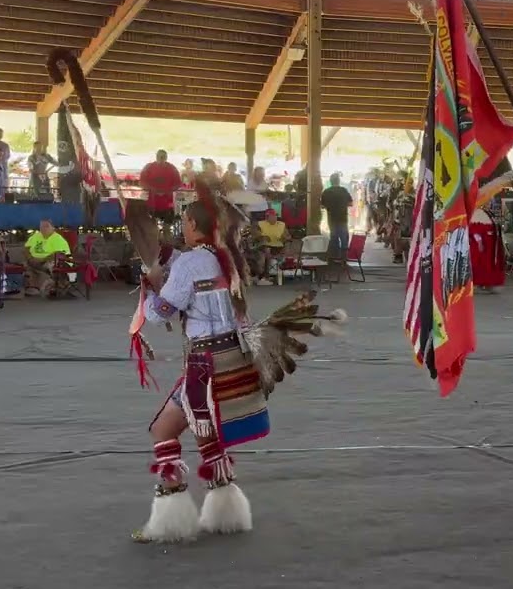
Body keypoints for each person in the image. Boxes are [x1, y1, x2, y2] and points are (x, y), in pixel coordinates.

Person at [132, 187, 344, 543]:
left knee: (162, 431)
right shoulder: (227, 258)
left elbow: (160, 313)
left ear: (193, 224)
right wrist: (163, 267)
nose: (182, 228)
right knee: (208, 437)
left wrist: (152, 288)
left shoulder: (189, 263)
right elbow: (196, 284)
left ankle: (170, 521)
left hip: (204, 365)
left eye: (184, 222)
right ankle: (226, 513)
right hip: (234, 359)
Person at [24, 219, 72, 296]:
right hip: (34, 261)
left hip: (54, 261)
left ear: (53, 228)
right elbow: (26, 248)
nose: (43, 228)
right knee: (27, 265)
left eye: (46, 226)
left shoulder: (57, 238)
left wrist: (42, 259)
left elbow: (59, 254)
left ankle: (59, 285)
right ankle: (33, 287)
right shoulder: (35, 236)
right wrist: (30, 258)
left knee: (51, 265)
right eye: (41, 226)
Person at [140, 150, 183, 226]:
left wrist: (167, 190)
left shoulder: (172, 168)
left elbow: (178, 184)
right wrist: (152, 189)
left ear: (166, 157)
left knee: (167, 227)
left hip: (168, 204)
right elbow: (142, 183)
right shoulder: (148, 167)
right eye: (159, 156)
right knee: (152, 226)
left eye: (163, 157)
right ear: (156, 156)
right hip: (152, 204)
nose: (161, 158)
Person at [470, 204, 507, 293]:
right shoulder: (477, 213)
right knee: (482, 264)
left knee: (490, 264)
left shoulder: (488, 213)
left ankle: (488, 284)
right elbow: (474, 230)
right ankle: (479, 283)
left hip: (492, 244)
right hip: (484, 244)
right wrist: (479, 242)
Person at [320, 173, 353, 255]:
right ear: (338, 181)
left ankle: (335, 255)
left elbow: (322, 206)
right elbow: (350, 203)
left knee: (334, 236)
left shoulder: (326, 192)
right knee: (344, 237)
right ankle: (344, 255)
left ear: (331, 181)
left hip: (332, 218)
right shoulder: (344, 190)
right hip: (343, 217)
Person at [255, 208, 288, 285]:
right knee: (266, 252)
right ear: (267, 217)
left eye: (275, 216)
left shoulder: (281, 225)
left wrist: (284, 237)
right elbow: (255, 235)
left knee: (270, 252)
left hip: (278, 247)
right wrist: (262, 237)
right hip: (264, 247)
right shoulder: (260, 224)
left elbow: (287, 236)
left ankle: (267, 276)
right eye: (272, 216)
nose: (274, 218)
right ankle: (264, 276)